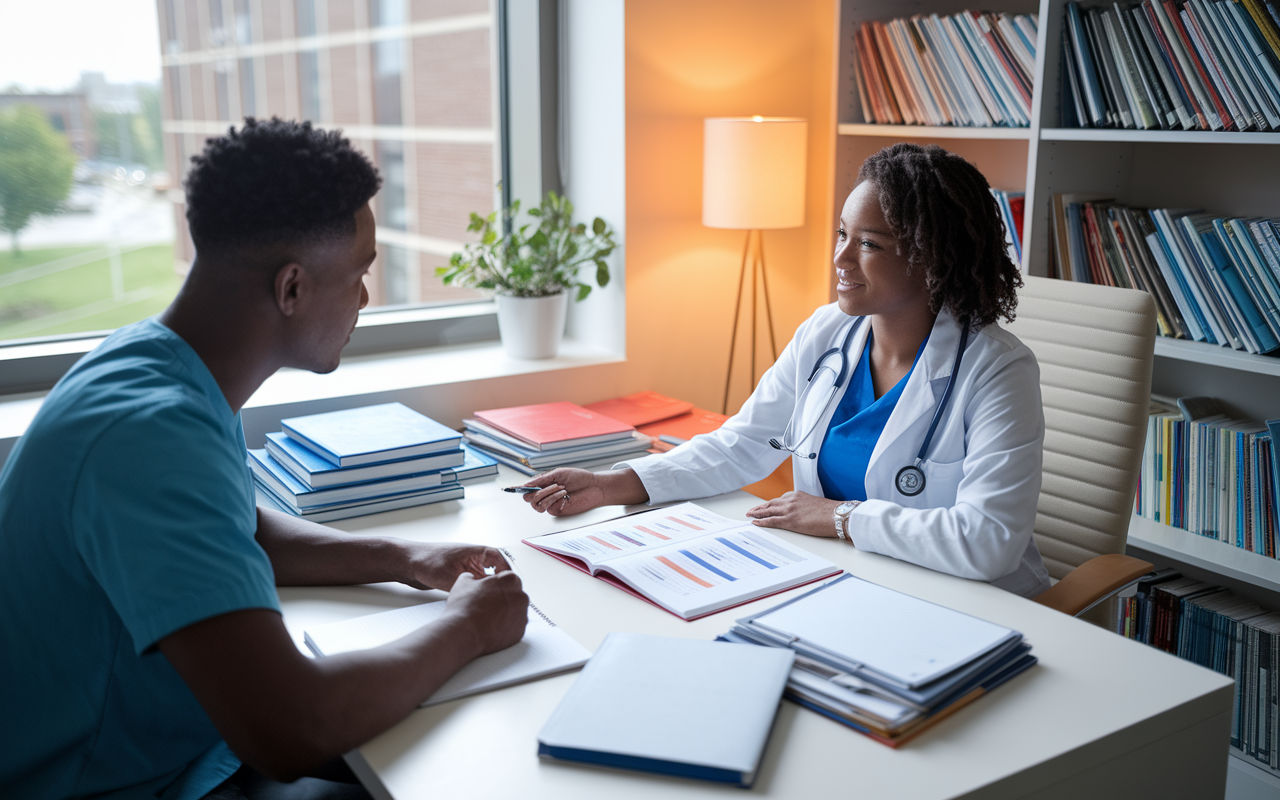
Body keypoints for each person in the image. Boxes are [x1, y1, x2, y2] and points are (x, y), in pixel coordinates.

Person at [0, 118, 530, 800]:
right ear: (291, 289)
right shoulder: (150, 438)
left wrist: (404, 556)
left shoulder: (154, 363)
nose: (365, 299)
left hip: (181, 750)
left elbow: (239, 527)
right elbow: (290, 728)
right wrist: (469, 626)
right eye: (360, 273)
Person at [522, 143, 1051, 598]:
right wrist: (613, 485)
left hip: (971, 603)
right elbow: (742, 444)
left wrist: (838, 517)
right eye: (842, 234)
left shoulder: (996, 370)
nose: (841, 259)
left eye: (869, 244)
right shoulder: (827, 334)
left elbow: (989, 541)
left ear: (934, 258)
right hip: (852, 579)